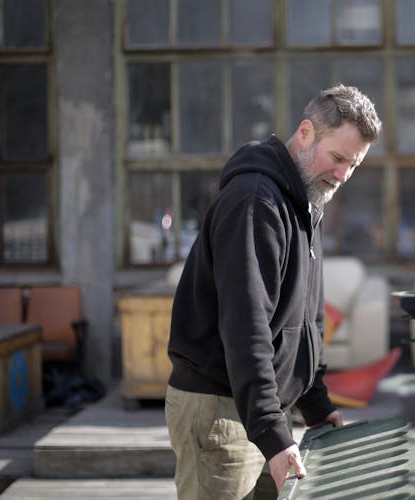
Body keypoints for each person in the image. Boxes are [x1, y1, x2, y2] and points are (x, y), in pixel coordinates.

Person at [165, 84, 382, 499]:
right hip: (222, 412)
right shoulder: (256, 202)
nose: (343, 175)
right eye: (337, 158)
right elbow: (246, 327)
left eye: (353, 165)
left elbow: (304, 319)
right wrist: (272, 432)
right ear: (305, 132)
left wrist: (315, 404)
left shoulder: (306, 199)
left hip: (263, 414)